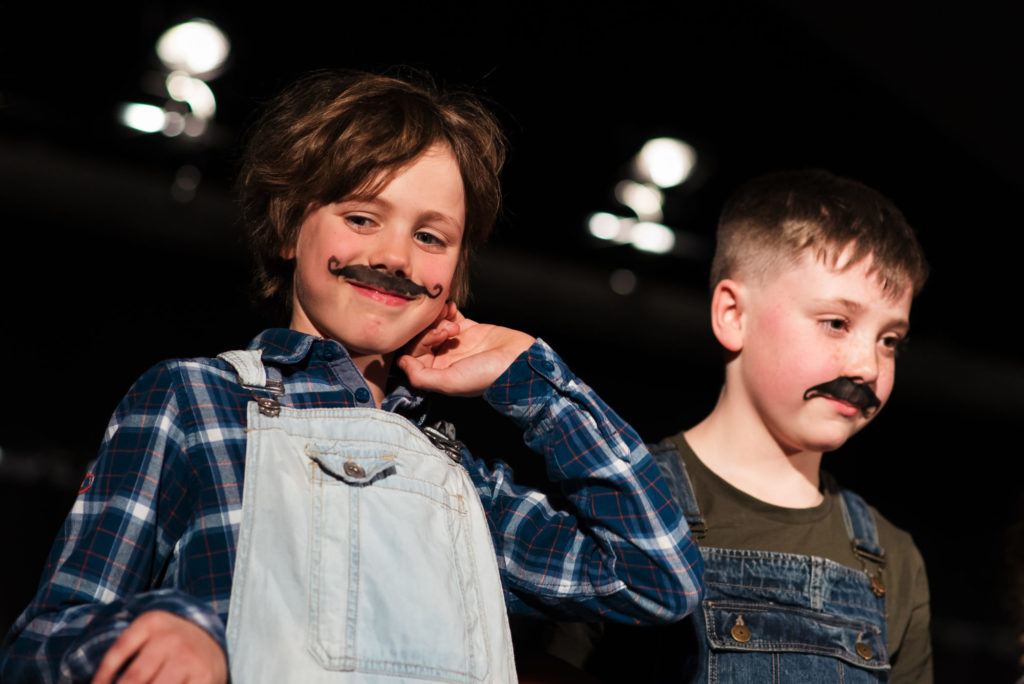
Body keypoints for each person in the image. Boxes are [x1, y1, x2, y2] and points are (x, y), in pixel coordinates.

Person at [0, 70, 703, 684]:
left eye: (431, 237)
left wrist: (533, 380)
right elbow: (41, 644)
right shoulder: (196, 402)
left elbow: (657, 577)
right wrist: (171, 625)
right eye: (362, 217)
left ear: (453, 276)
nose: (395, 256)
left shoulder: (461, 480)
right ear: (287, 228)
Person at [545, 169, 933, 682]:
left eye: (890, 340)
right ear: (732, 314)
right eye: (836, 323)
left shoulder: (891, 559)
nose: (867, 366)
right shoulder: (622, 499)